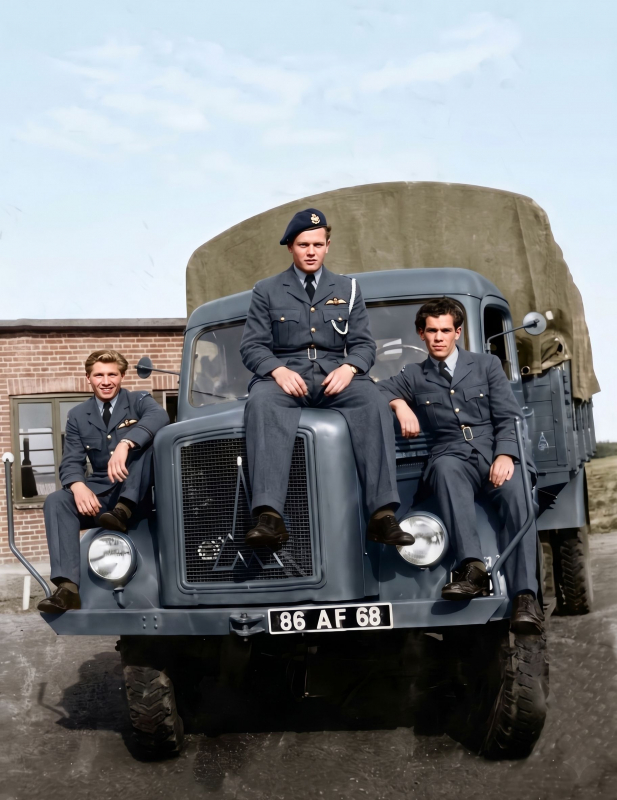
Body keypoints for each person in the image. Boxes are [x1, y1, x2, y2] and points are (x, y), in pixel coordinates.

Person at [240, 208, 412, 550]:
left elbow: (363, 344)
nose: (311, 251)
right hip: (286, 376)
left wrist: (349, 368)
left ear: (328, 245)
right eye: (303, 244)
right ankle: (269, 515)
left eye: (318, 244)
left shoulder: (347, 288)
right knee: (261, 402)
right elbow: (252, 346)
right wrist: (277, 370)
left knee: (374, 401)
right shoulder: (267, 290)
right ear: (290, 246)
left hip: (337, 375)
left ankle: (382, 514)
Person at [377, 299, 544, 635]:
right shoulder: (414, 375)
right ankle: (471, 568)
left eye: (445, 330)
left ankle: (525, 596)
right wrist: (399, 404)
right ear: (421, 334)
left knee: (517, 497)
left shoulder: (486, 365)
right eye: (432, 331)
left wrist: (506, 455)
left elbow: (508, 416)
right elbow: (377, 390)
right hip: (450, 453)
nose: (439, 337)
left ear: (458, 333)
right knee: (445, 471)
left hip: (493, 450)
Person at [37, 350, 169, 613]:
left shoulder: (138, 399)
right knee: (57, 500)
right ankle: (67, 590)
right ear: (89, 378)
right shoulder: (77, 414)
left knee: (149, 442)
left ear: (121, 377)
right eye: (99, 375)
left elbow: (160, 418)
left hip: (135, 496)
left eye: (112, 374)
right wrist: (77, 486)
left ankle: (123, 509)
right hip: (98, 498)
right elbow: (71, 460)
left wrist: (127, 442)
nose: (106, 381)